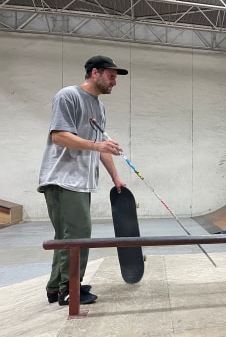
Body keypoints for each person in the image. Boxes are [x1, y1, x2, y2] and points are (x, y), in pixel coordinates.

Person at [38, 55, 128, 306]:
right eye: (111, 77)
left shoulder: (99, 107)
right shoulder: (68, 96)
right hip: (63, 178)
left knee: (66, 236)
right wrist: (97, 144)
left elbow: (102, 148)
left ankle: (56, 288)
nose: (114, 83)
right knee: (78, 235)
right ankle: (70, 289)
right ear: (95, 73)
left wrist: (116, 178)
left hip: (80, 181)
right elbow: (59, 136)